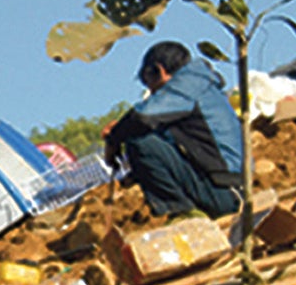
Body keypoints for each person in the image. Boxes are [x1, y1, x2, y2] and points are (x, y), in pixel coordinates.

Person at [102, 41, 243, 217]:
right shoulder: (198, 86)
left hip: (226, 191)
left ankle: (183, 214)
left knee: (140, 141)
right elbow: (171, 147)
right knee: (146, 137)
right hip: (227, 186)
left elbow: (142, 118)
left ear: (158, 70)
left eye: (150, 85)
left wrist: (113, 139)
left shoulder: (186, 86)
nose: (153, 95)